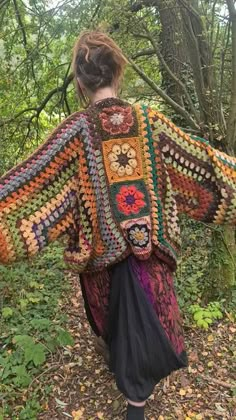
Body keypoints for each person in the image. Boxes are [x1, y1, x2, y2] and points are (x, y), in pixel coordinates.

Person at [0, 30, 235, 420]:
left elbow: (24, 194)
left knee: (121, 333)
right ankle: (136, 401)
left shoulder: (72, 136)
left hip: (102, 267)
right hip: (152, 258)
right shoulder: (152, 123)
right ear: (118, 73)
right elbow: (207, 173)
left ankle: (132, 398)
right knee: (143, 331)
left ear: (79, 81)